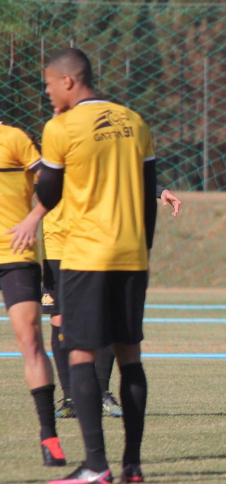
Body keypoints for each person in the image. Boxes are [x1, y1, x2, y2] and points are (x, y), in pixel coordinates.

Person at [12, 47, 157, 484]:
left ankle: (96, 465)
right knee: (129, 353)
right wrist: (143, 252)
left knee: (79, 352)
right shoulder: (135, 121)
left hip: (86, 256)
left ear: (69, 82)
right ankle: (132, 464)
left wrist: (34, 213)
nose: (47, 92)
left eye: (49, 85)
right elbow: (148, 193)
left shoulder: (61, 127)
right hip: (132, 255)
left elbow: (51, 191)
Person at [47, 186, 180, 420]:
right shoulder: (43, 151)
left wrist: (159, 190)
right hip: (56, 241)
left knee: (104, 312)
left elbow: (122, 169)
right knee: (59, 318)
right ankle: (70, 398)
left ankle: (101, 392)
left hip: (95, 238)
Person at [2, 123, 66, 467]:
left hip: (14, 255)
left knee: (29, 341)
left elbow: (53, 183)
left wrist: (34, 218)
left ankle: (50, 437)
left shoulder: (13, 139)